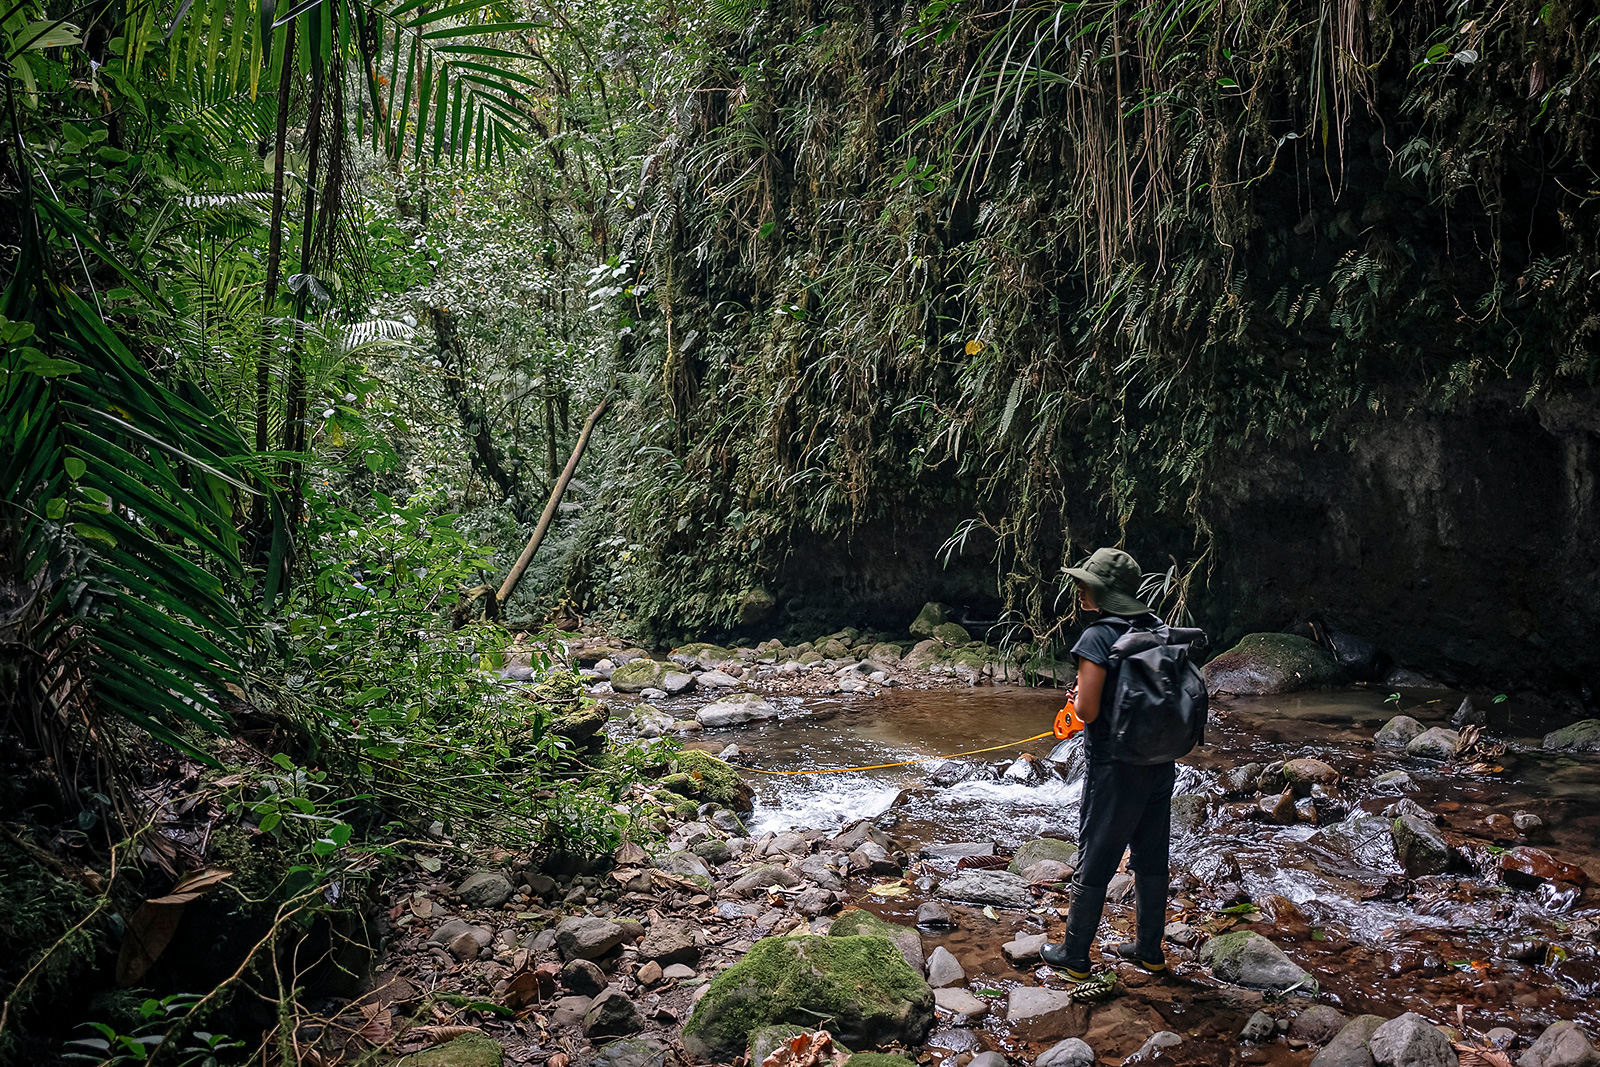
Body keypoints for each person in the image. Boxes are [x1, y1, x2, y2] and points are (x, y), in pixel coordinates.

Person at [1040, 546, 1174, 978]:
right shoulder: (1156, 628)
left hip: (1114, 767)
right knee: (1152, 856)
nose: (1079, 589)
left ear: (1103, 591)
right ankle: (1150, 950)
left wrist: (1076, 698)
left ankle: (1075, 956)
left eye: (1086, 583)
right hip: (1159, 759)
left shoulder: (1098, 638)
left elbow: (1089, 713)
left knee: (1095, 855)